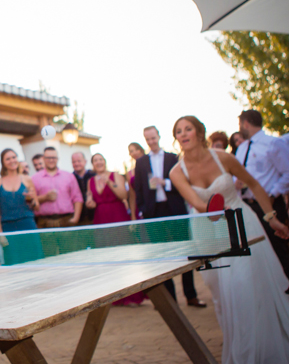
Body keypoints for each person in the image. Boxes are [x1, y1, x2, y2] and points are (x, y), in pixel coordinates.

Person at [169, 115, 289, 364]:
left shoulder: (224, 157)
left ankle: (256, 355)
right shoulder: (177, 172)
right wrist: (212, 215)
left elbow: (255, 185)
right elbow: (198, 204)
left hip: (242, 223)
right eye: (178, 131)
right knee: (224, 296)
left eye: (188, 128)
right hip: (208, 232)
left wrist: (271, 217)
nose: (183, 134)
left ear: (199, 132)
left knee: (245, 286)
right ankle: (244, 345)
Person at [133, 126, 205, 307]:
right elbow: (139, 189)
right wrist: (142, 209)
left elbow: (183, 184)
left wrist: (164, 183)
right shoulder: (141, 162)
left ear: (158, 136)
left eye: (153, 138)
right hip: (153, 213)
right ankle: (171, 300)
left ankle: (191, 295)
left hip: (175, 210)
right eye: (147, 139)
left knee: (185, 251)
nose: (151, 142)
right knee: (162, 256)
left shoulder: (173, 158)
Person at [234, 110, 289, 296]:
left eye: (240, 124)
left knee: (276, 247)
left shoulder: (274, 143)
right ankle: (267, 293)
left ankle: (285, 291)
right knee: (256, 249)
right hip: (247, 205)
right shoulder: (242, 148)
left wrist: (273, 193)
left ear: (246, 123)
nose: (240, 128)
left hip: (269, 204)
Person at [85, 153, 145, 306]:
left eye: (100, 160)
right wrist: (90, 202)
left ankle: (132, 296)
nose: (98, 162)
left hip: (117, 216)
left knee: (124, 255)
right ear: (93, 164)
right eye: (95, 160)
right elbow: (89, 200)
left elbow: (124, 195)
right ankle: (114, 297)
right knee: (107, 258)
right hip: (100, 220)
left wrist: (109, 183)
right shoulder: (90, 181)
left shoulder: (115, 175)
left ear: (104, 162)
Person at [0, 149, 43, 265]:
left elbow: (37, 207)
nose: (12, 161)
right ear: (3, 162)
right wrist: (0, 233)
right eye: (8, 158)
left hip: (27, 224)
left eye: (14, 157)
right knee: (14, 261)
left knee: (35, 259)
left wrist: (32, 199)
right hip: (8, 226)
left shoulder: (27, 179)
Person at [31, 146, 83, 256]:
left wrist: (76, 218)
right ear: (44, 159)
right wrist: (45, 197)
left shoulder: (69, 176)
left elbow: (77, 198)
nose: (51, 160)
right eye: (48, 157)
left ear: (57, 158)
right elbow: (31, 201)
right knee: (49, 257)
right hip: (44, 223)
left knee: (71, 255)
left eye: (53, 157)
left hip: (66, 221)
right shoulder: (34, 179)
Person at [72, 152, 96, 224]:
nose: (76, 164)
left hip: (95, 215)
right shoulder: (70, 178)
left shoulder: (93, 176)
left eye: (79, 161)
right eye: (74, 162)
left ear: (85, 161)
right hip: (79, 219)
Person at [126, 143, 146, 221]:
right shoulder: (130, 173)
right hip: (139, 207)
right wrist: (133, 215)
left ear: (141, 150)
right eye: (131, 151)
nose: (134, 153)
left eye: (136, 150)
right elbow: (132, 195)